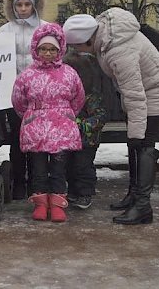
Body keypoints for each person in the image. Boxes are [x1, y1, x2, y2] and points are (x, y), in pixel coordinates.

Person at [63, 8, 159, 225]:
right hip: (141, 92)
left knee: (143, 145)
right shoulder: (105, 38)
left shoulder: (119, 50)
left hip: (156, 93)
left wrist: (135, 134)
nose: (76, 50)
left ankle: (143, 207)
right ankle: (134, 195)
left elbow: (135, 94)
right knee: (135, 144)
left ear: (87, 40)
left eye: (76, 46)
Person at [11, 23, 85, 222]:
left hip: (61, 128)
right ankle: (41, 204)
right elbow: (18, 101)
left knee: (59, 169)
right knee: (38, 169)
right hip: (37, 129)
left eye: (52, 49)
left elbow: (78, 98)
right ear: (36, 49)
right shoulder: (27, 75)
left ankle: (58, 203)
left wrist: (66, 115)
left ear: (60, 50)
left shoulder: (69, 73)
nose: (48, 53)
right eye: (43, 49)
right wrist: (31, 116)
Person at [0, 0, 48, 199]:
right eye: (19, 5)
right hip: (15, 97)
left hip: (40, 97)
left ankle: (38, 184)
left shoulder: (46, 28)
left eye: (27, 4)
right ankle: (18, 183)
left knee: (39, 141)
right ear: (13, 6)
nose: (24, 9)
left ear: (35, 4)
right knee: (18, 141)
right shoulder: (4, 30)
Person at [62, 15, 108, 210]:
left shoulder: (92, 96)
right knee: (69, 167)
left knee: (83, 167)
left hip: (87, 139)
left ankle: (85, 192)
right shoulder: (66, 97)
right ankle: (73, 191)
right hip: (70, 139)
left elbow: (99, 117)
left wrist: (80, 126)